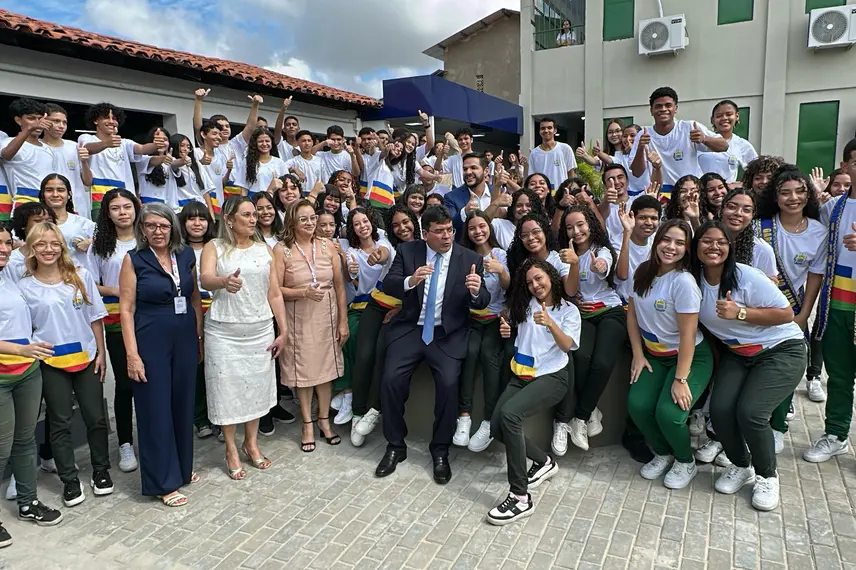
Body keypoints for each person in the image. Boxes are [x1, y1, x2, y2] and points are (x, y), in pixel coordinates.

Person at [693, 220, 805, 511]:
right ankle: (741, 465)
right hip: (739, 354)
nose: (713, 247)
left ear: (730, 248)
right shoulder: (692, 280)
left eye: (721, 242)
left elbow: (786, 314)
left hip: (782, 349)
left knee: (752, 412)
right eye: (706, 240)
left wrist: (740, 312)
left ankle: (768, 475)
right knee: (719, 410)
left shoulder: (746, 276)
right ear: (696, 246)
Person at [374, 206, 490, 484]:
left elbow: (483, 299)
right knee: (391, 380)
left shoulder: (470, 258)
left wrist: (476, 291)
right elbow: (390, 283)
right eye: (439, 232)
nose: (447, 236)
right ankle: (395, 446)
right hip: (411, 330)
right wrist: (410, 281)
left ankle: (440, 450)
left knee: (449, 385)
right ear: (425, 234)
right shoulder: (408, 251)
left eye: (450, 230)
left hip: (447, 334)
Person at [17, 222, 112, 507]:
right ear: (31, 249)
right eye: (41, 244)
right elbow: (25, 328)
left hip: (85, 357)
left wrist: (101, 353)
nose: (48, 250)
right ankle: (69, 480)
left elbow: (95, 318)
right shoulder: (24, 286)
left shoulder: (80, 276)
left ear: (62, 246)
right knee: (59, 422)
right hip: (50, 362)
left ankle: (100, 470)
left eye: (54, 243)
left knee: (95, 417)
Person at [118, 203, 201, 505]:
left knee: (182, 403)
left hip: (184, 337)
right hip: (150, 338)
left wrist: (198, 336)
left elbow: (193, 298)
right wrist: (132, 354)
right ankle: (162, 482)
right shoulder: (134, 260)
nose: (158, 231)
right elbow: (126, 309)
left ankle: (180, 468)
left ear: (172, 228)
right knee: (155, 409)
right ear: (142, 228)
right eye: (151, 226)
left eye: (163, 226)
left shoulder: (186, 255)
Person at [487, 259, 580, 525]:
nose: (535, 285)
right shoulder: (525, 305)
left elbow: (566, 346)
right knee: (497, 427)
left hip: (553, 378)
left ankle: (520, 497)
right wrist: (506, 326)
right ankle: (544, 461)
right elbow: (511, 322)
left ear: (551, 277)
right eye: (529, 282)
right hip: (523, 375)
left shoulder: (568, 311)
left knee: (510, 415)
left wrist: (551, 322)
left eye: (539, 279)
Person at [200, 197, 287, 478]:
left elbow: (274, 292)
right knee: (227, 390)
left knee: (255, 389)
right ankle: (230, 448)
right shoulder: (214, 247)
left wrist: (283, 330)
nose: (253, 219)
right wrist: (223, 282)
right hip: (223, 330)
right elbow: (205, 279)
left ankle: (251, 443)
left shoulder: (265, 249)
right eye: (246, 215)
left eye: (254, 215)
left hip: (259, 328)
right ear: (229, 219)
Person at [626, 219, 714, 489]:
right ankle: (664, 453)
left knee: (669, 412)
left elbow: (688, 336)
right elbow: (632, 314)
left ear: (687, 249)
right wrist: (638, 354)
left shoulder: (684, 282)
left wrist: (681, 379)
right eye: (666, 239)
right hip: (653, 355)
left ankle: (685, 461)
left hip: (689, 357)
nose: (671, 247)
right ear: (657, 240)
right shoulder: (643, 271)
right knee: (638, 405)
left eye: (679, 242)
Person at [0, 222, 63, 545]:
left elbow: (38, 246)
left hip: (26, 371)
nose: (2, 249)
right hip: (2, 375)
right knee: (1, 447)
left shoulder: (10, 275)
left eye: (5, 243)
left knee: (25, 442)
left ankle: (28, 502)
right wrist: (21, 348)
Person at [277, 199, 349, 452]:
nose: (309, 223)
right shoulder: (282, 250)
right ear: (292, 223)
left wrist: (342, 321)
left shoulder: (328, 246)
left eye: (312, 218)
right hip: (299, 316)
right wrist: (302, 292)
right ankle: (307, 423)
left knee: (326, 372)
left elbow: (340, 286)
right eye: (303, 219)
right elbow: (275, 290)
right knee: (305, 374)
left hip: (327, 315)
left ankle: (324, 420)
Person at [756, 165, 827, 416]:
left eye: (799, 192)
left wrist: (803, 315)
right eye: (785, 193)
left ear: (808, 195)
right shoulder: (758, 227)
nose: (793, 198)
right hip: (756, 307)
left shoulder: (819, 232)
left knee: (785, 358)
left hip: (791, 308)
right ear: (775, 197)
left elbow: (815, 276)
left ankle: (781, 409)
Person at [803, 139, 856, 464]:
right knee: (838, 375)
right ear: (846, 165)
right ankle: (836, 434)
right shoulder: (833, 207)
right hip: (837, 303)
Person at [555, 206, 625, 451]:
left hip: (610, 311)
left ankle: (581, 417)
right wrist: (574, 264)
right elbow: (571, 291)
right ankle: (592, 407)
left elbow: (603, 265)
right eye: (570, 227)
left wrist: (599, 266)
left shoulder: (600, 249)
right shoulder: (563, 256)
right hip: (583, 315)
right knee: (581, 357)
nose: (576, 231)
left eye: (581, 225)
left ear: (591, 225)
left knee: (603, 363)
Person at [350, 205, 420, 446]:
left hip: (401, 310)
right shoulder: (390, 245)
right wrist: (379, 256)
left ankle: (372, 411)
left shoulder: (425, 248)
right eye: (396, 225)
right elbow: (383, 253)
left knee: (382, 352)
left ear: (415, 221)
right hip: (378, 303)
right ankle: (357, 411)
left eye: (406, 222)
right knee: (364, 353)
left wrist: (401, 308)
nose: (402, 228)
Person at [88, 188, 140, 473]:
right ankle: (125, 443)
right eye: (116, 208)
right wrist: (118, 291)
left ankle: (151, 435)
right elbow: (89, 284)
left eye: (127, 207)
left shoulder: (146, 238)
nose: (123, 212)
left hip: (147, 317)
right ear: (107, 213)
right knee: (125, 382)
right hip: (116, 319)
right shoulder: (100, 245)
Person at [454, 211, 510, 452]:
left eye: (482, 226)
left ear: (489, 228)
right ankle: (464, 417)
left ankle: (488, 421)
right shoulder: (464, 256)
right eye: (472, 228)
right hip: (472, 319)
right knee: (470, 352)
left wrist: (501, 271)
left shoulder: (502, 254)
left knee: (490, 356)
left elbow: (510, 287)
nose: (478, 231)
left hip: (496, 318)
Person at [332, 207, 392, 425]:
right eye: (357, 224)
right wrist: (351, 269)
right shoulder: (352, 253)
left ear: (372, 222)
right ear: (353, 229)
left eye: (365, 221)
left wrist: (378, 257)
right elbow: (351, 278)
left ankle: (358, 397)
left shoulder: (384, 241)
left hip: (384, 304)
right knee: (347, 336)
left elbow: (385, 255)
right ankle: (348, 392)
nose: (362, 226)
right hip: (360, 305)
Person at [629, 87, 728, 194]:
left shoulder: (689, 127)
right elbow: (636, 173)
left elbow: (724, 146)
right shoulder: (643, 134)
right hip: (662, 193)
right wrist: (640, 149)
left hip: (690, 190)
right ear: (651, 110)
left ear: (675, 108)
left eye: (668, 105)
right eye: (658, 106)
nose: (663, 109)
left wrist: (704, 139)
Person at [79, 102, 164, 218]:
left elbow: (142, 149)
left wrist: (155, 145)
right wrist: (106, 143)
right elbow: (87, 148)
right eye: (105, 117)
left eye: (114, 118)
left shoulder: (124, 143)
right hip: (98, 197)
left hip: (123, 197)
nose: (111, 121)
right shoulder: (86, 137)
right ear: (95, 121)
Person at [177, 202, 218, 439]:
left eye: (202, 219)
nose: (197, 224)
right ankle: (200, 418)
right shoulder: (178, 250)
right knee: (197, 366)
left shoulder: (218, 246)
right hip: (190, 312)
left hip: (218, 310)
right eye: (191, 219)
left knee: (219, 366)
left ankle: (220, 418)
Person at [41, 103, 93, 219]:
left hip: (77, 207)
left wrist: (84, 162)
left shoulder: (74, 147)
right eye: (56, 121)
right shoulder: (36, 147)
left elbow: (88, 181)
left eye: (64, 122)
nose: (61, 126)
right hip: (47, 209)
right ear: (44, 121)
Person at [1, 99, 55, 210]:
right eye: (31, 118)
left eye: (40, 119)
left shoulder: (48, 149)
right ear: (18, 120)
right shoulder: (7, 142)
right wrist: (29, 129)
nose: (38, 123)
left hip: (47, 203)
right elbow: (6, 155)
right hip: (23, 204)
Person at [38, 174, 95, 272]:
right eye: (49, 190)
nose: (55, 194)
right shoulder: (34, 222)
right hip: (44, 279)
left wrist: (91, 242)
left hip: (79, 279)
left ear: (69, 194)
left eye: (60, 190)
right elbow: (16, 243)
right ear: (42, 194)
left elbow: (111, 240)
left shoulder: (83, 223)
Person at [718, 189, 778, 280]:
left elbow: (771, 287)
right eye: (732, 207)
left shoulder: (762, 250)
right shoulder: (709, 243)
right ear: (721, 209)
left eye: (746, 210)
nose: (738, 213)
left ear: (752, 215)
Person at [697, 100, 758, 184]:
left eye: (729, 114)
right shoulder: (702, 141)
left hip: (727, 194)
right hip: (702, 192)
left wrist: (740, 185)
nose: (724, 118)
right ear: (712, 120)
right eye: (719, 116)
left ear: (737, 116)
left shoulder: (742, 145)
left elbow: (756, 171)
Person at [443, 154, 492, 237]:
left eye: (473, 168)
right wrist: (464, 213)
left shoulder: (499, 192)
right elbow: (449, 227)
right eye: (465, 169)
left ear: (486, 171)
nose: (468, 172)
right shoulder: (451, 197)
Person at [6, 203, 55, 283]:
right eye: (38, 221)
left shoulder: (60, 255)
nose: (45, 225)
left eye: (49, 221)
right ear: (23, 225)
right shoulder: (11, 262)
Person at [529, 118, 577, 189]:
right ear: (539, 131)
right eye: (543, 128)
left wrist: (570, 191)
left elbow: (571, 174)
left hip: (562, 194)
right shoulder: (534, 153)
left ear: (555, 130)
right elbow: (532, 177)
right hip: (543, 195)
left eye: (549, 128)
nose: (546, 131)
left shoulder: (565, 148)